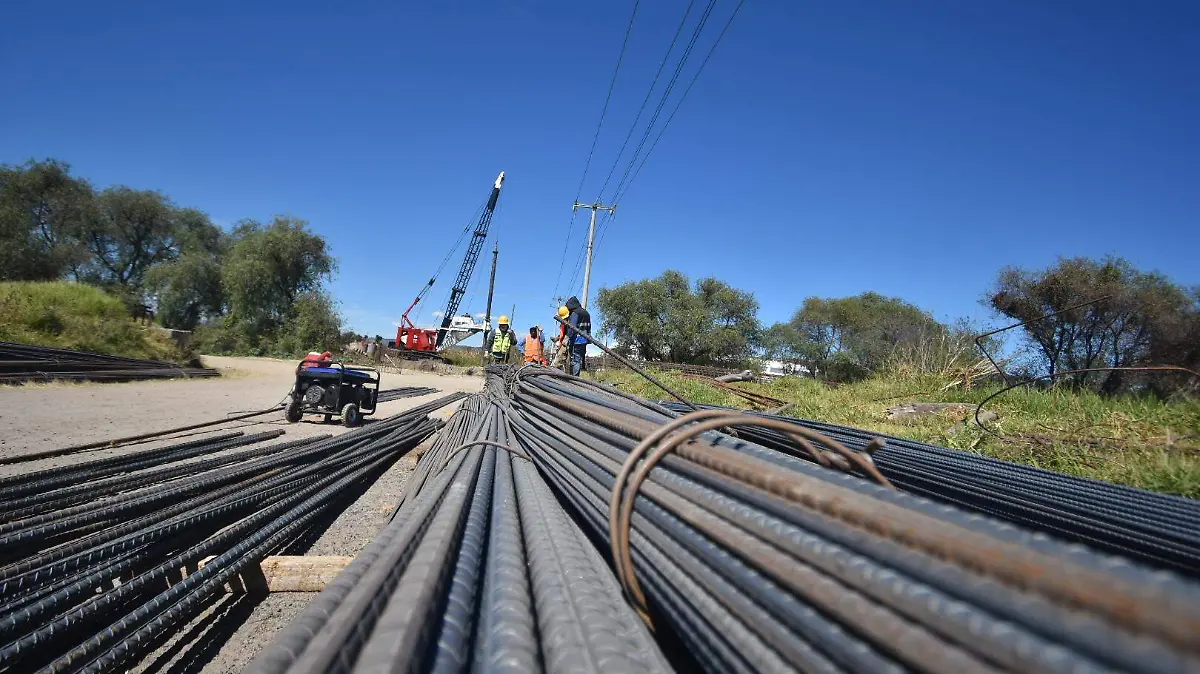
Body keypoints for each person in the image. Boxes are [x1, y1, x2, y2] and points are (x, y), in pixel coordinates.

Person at [563, 296, 591, 376]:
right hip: (585, 339)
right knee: (579, 359)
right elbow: (589, 327)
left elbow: (572, 328)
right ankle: (576, 377)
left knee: (575, 360)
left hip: (577, 340)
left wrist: (568, 337)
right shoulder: (586, 313)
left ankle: (575, 378)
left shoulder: (575, 313)